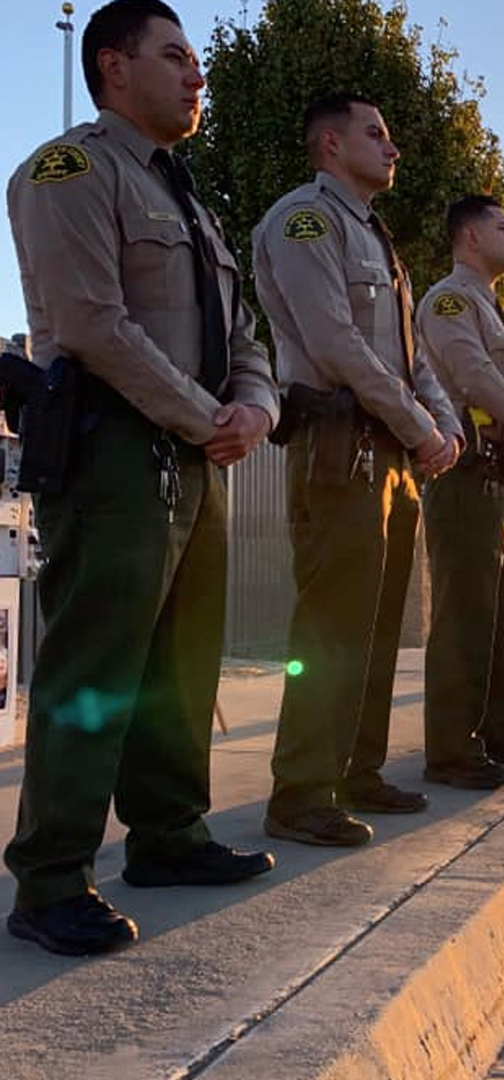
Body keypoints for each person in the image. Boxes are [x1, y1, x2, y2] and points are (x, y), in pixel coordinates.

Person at [2, 0, 279, 957]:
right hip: (115, 448)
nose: (196, 75)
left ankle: (168, 834)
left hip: (201, 458)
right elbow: (89, 322)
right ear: (114, 66)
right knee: (96, 668)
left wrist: (256, 409)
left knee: (179, 663)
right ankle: (50, 879)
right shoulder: (69, 170)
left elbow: (242, 338)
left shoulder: (192, 202)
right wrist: (209, 418)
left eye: (195, 59)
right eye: (175, 57)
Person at [249, 94, 463, 847]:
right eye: (377, 134)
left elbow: (411, 360)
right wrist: (418, 424)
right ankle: (302, 790)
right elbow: (335, 343)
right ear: (330, 144)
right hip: (341, 444)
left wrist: (439, 428)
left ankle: (356, 769)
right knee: (333, 625)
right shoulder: (305, 221)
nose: (393, 147)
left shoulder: (380, 240)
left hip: (392, 453)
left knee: (374, 625)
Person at [414, 194, 504, 790]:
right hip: (470, 474)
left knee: (500, 619)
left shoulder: (494, 312)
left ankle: (495, 725)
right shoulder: (451, 301)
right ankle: (452, 748)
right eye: (500, 227)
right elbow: (475, 378)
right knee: (465, 620)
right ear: (469, 238)